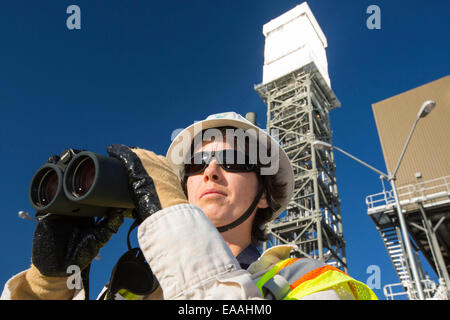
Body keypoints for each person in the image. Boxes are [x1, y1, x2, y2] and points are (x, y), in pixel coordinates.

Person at [1, 111, 377, 300]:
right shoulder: (130, 288)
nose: (211, 171)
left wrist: (172, 221)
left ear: (264, 195)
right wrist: (48, 287)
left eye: (234, 160)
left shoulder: (311, 282)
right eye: (196, 166)